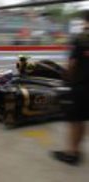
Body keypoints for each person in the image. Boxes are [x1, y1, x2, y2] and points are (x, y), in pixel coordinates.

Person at [51, 10, 89, 166]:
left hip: (80, 86)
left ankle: (71, 154)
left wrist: (66, 78)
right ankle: (77, 149)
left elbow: (72, 65)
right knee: (82, 120)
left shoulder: (81, 39)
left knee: (74, 121)